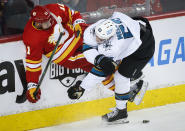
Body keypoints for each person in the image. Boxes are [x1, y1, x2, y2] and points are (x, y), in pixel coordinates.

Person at [67, 12, 155, 123]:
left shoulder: (113, 47)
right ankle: (134, 77)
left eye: (102, 39)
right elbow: (88, 46)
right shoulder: (96, 27)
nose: (97, 39)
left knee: (121, 76)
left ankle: (121, 112)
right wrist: (98, 58)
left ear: (110, 37)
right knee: (112, 66)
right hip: (136, 29)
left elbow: (102, 70)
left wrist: (82, 87)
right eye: (97, 36)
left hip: (143, 47)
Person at [22, 3, 94, 103]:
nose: (50, 23)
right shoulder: (31, 37)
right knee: (98, 58)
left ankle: (120, 103)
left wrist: (78, 23)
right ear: (37, 23)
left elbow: (72, 14)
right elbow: (33, 64)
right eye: (46, 23)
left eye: (49, 19)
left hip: (77, 38)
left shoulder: (53, 9)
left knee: (100, 71)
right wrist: (32, 85)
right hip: (65, 55)